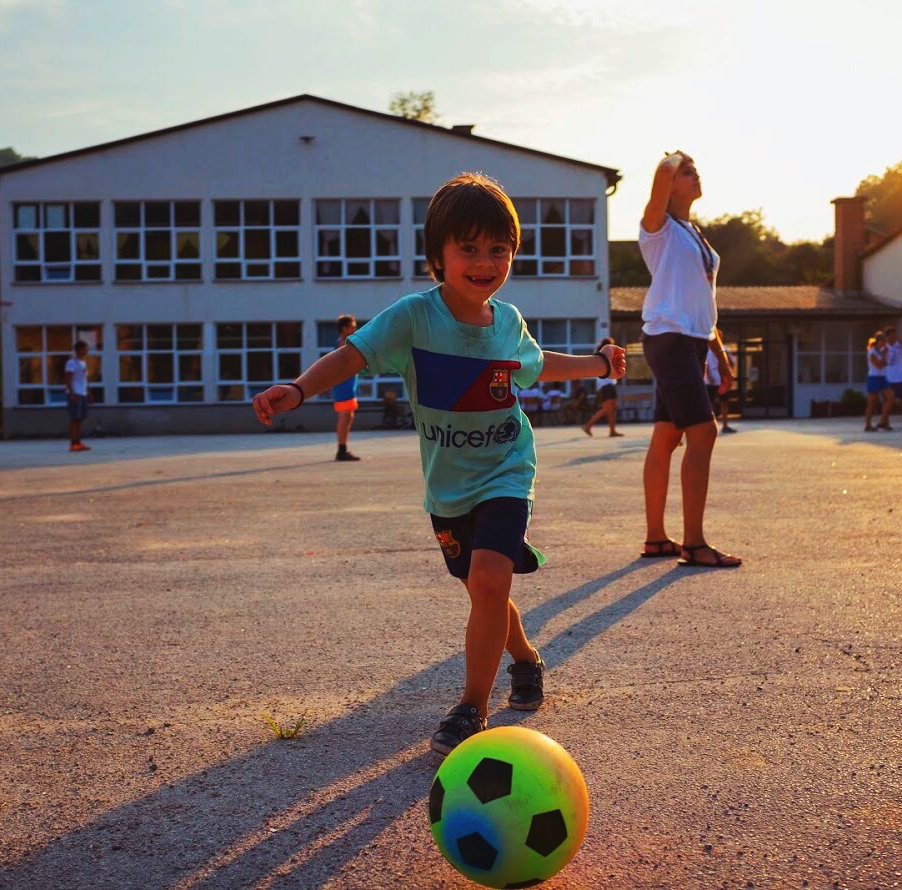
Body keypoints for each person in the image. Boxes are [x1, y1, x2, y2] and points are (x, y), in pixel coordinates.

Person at [252, 172, 627, 755]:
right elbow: (350, 355)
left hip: (506, 469)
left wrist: (600, 364)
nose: (484, 261)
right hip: (447, 489)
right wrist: (299, 390)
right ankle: (526, 658)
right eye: (468, 248)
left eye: (497, 249)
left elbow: (539, 364)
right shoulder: (413, 318)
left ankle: (470, 707)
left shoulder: (508, 323)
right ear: (438, 256)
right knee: (485, 591)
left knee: (488, 577)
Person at [637, 150, 740, 567]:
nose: (694, 175)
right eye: (686, 172)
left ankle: (657, 539)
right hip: (669, 338)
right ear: (670, 183)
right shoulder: (657, 228)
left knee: (667, 436)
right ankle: (694, 544)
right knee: (704, 433)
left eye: (695, 170)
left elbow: (703, 302)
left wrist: (720, 353)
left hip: (691, 341)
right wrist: (674, 157)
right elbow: (662, 173)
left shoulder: (693, 232)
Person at [330, 315, 362, 461]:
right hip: (343, 387)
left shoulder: (345, 343)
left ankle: (342, 448)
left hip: (347, 386)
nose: (355, 329)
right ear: (344, 328)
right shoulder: (344, 344)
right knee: (345, 416)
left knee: (348, 416)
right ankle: (341, 450)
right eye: (352, 326)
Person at [583, 338, 624, 437]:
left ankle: (611, 430)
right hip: (608, 385)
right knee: (607, 409)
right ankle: (588, 426)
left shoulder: (599, 355)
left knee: (610, 409)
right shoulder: (608, 355)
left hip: (605, 386)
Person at [878, 326, 902, 430]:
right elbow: (881, 360)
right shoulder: (884, 347)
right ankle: (886, 423)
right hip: (888, 377)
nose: (893, 337)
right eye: (891, 335)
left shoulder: (899, 346)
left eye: (894, 334)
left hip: (901, 376)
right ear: (887, 337)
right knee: (887, 401)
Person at [65, 339, 91, 452]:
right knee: (74, 418)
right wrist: (72, 393)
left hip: (83, 393)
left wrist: (89, 393)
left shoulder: (83, 362)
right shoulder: (71, 363)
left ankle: (78, 442)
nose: (87, 351)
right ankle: (73, 443)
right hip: (75, 393)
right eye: (85, 348)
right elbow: (67, 378)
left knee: (80, 419)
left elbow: (84, 379)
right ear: (79, 349)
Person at [705, 345, 736, 433]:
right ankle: (710, 425)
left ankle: (725, 426)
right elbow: (705, 363)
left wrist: (728, 375)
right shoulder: (706, 349)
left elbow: (731, 363)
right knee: (709, 404)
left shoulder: (725, 349)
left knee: (724, 402)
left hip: (722, 381)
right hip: (710, 382)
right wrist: (709, 376)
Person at [864, 332, 890, 433]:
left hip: (882, 377)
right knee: (872, 402)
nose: (884, 344)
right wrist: (884, 356)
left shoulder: (881, 351)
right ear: (879, 342)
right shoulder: (872, 352)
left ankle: (882, 421)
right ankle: (868, 424)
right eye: (883, 342)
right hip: (874, 377)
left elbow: (885, 363)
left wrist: (884, 358)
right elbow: (879, 364)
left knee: (890, 398)